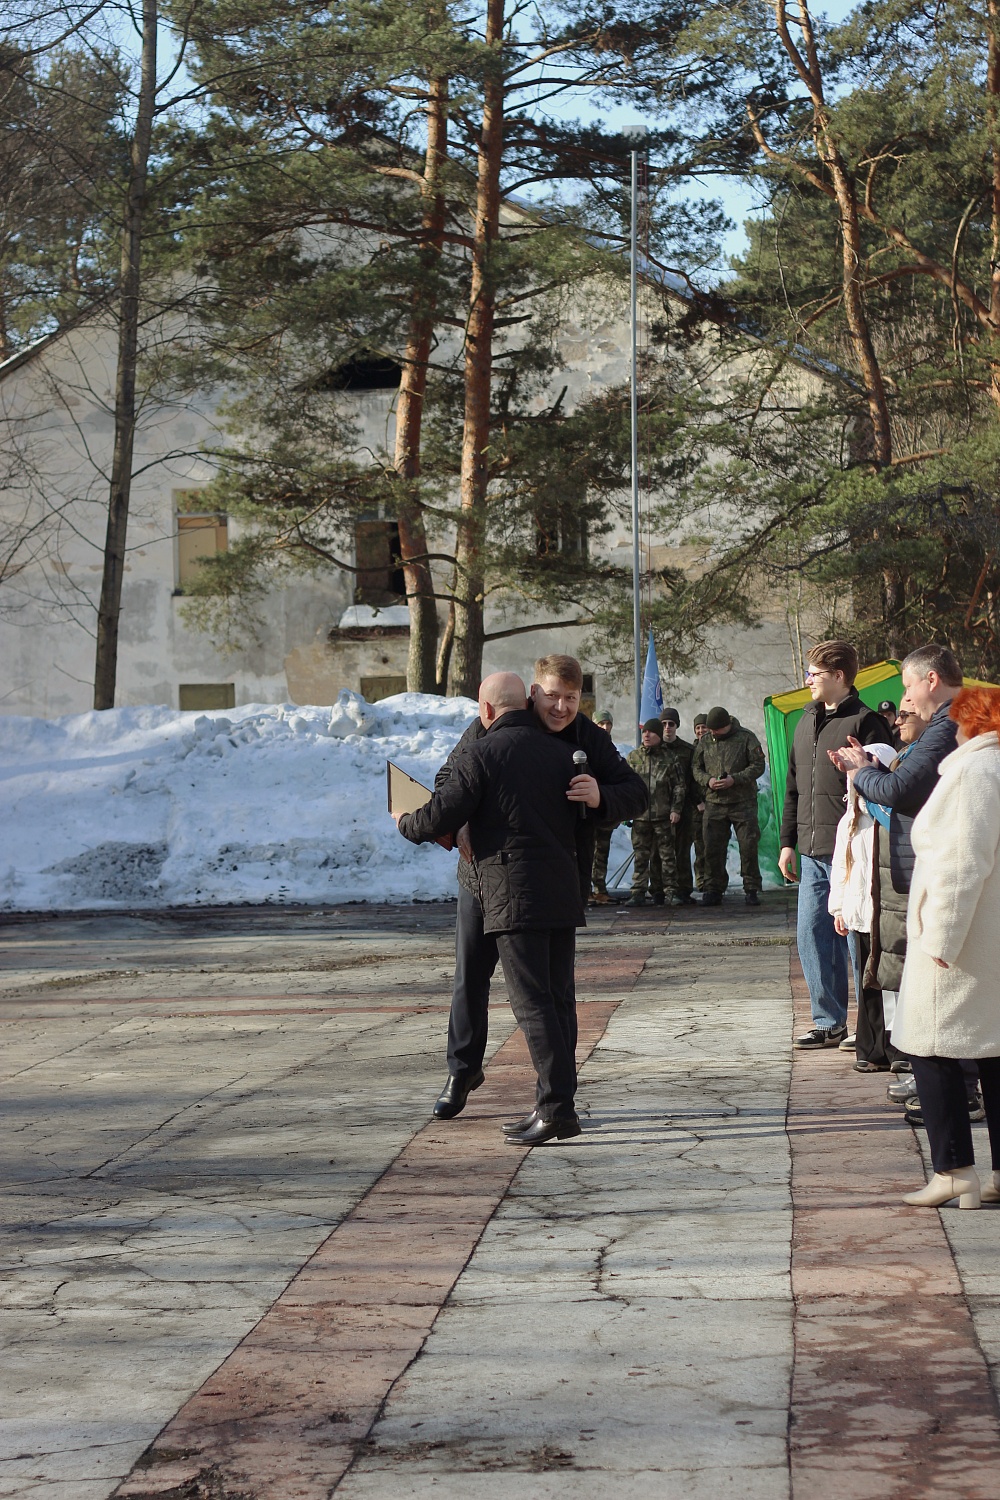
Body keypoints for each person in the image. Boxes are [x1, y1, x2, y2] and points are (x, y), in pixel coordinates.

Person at [429, 655, 646, 1120]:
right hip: (481, 874)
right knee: (471, 976)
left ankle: (557, 1090)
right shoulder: (497, 721)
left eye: (571, 698)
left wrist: (602, 795)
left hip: (549, 879)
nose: (561, 707)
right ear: (533, 691)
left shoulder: (586, 735)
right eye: (552, 696)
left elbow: (637, 791)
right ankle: (462, 1068)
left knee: (553, 992)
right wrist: (462, 821)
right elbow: (449, 779)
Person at [394, 672, 590, 1146]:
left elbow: (438, 812)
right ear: (525, 703)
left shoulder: (482, 752)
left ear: (485, 711)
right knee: (546, 998)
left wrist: (404, 821)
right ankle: (546, 1100)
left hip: (513, 891)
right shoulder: (563, 754)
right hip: (554, 888)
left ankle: (558, 1108)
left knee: (534, 1003)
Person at [891, 687, 1000, 1210]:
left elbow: (961, 863)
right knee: (994, 1051)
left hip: (962, 939)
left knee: (932, 1048)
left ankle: (955, 1171)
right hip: (987, 938)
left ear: (972, 724)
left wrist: (941, 938)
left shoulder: (976, 773)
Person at [779, 640, 886, 1048]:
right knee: (812, 934)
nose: (808, 680)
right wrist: (788, 841)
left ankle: (868, 1027)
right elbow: (792, 787)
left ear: (839, 677)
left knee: (858, 938)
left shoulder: (867, 723)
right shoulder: (804, 720)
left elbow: (882, 788)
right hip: (809, 851)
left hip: (852, 853)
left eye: (815, 674)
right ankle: (829, 1020)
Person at [827, 741, 900, 1071]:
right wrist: (838, 908)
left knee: (891, 983)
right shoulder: (850, 821)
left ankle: (897, 1049)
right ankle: (870, 1050)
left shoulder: (890, 820)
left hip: (888, 915)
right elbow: (841, 867)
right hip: (859, 913)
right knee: (867, 981)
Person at [692, 706, 766, 907]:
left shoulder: (746, 738)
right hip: (714, 803)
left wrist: (736, 779)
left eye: (716, 730)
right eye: (710, 730)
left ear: (727, 726)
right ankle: (713, 889)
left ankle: (751, 888)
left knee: (748, 846)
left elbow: (759, 765)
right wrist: (707, 781)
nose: (712, 733)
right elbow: (695, 768)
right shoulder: (705, 741)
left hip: (743, 803)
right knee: (712, 849)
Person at [627, 719, 686, 905]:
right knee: (641, 857)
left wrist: (676, 809)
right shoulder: (633, 758)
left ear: (659, 736)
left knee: (667, 857)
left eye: (651, 732)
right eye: (644, 732)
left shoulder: (670, 758)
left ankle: (670, 892)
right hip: (640, 817)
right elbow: (625, 785)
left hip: (663, 816)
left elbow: (679, 786)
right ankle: (638, 892)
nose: (646, 735)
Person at [659, 708, 699, 905]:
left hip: (683, 809)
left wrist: (695, 802)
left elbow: (692, 780)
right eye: (664, 724)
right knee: (659, 852)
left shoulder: (687, 750)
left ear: (676, 726)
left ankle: (683, 889)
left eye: (671, 724)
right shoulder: (655, 748)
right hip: (659, 809)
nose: (667, 728)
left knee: (682, 851)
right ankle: (659, 889)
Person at [590, 710, 618, 904]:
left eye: (608, 724)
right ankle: (585, 890)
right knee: (586, 852)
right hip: (589, 808)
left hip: (605, 809)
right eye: (601, 724)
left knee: (602, 851)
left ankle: (599, 889)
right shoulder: (587, 746)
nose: (605, 728)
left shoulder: (612, 750)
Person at [691, 713, 711, 893]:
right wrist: (698, 801)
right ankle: (702, 881)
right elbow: (690, 779)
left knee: (713, 847)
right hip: (697, 807)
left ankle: (714, 881)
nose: (700, 731)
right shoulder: (692, 750)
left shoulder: (713, 748)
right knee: (700, 847)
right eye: (697, 728)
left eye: (703, 727)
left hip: (714, 803)